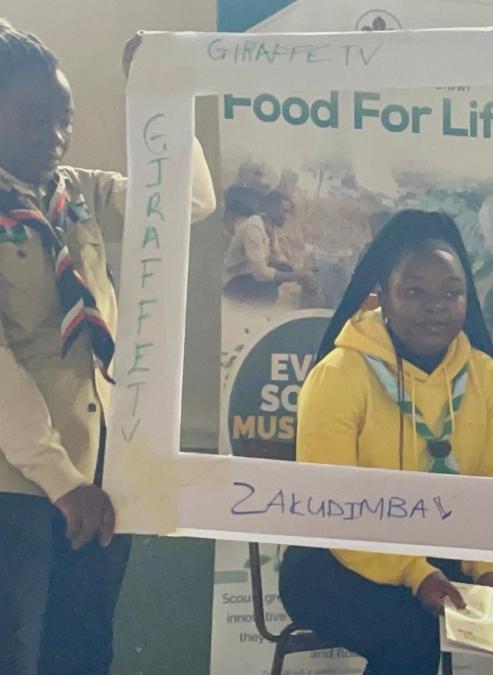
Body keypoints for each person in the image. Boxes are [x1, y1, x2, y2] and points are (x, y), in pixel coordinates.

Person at [277, 210, 493, 675]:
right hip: (336, 556)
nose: (435, 306)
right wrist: (415, 574)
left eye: (451, 293)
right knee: (411, 636)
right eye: (415, 291)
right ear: (383, 296)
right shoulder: (338, 376)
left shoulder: (486, 375)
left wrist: (490, 569)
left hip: (449, 549)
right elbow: (332, 509)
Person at [0, 22, 216, 674]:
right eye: (33, 120)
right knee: (17, 650)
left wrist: (163, 91)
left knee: (84, 648)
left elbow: (190, 202)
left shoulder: (81, 195)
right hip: (19, 482)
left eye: (63, 118)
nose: (54, 136)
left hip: (100, 471)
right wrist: (61, 481)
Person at [223, 189, 312, 305]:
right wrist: (298, 276)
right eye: (284, 211)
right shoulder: (254, 228)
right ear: (271, 208)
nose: (287, 217)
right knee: (269, 289)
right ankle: (254, 308)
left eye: (289, 212)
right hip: (234, 280)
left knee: (286, 269)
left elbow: (275, 255)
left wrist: (295, 270)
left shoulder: (270, 226)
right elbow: (260, 273)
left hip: (248, 273)